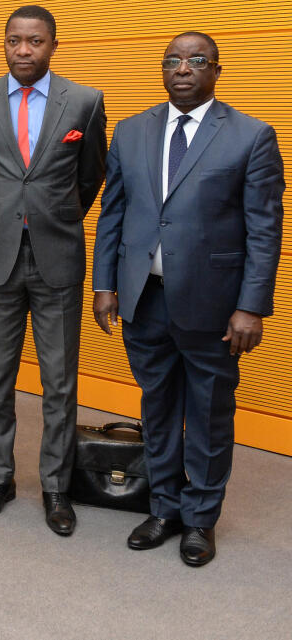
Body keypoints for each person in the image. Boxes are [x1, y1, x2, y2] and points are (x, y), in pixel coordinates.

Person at [92, 32, 283, 567]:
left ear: (216, 71)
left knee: (207, 414)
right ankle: (164, 507)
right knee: (157, 408)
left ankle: (200, 519)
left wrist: (251, 307)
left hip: (216, 308)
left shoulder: (251, 136)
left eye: (196, 60)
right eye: (172, 60)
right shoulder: (131, 132)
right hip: (144, 300)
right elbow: (113, 214)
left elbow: (264, 231)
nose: (182, 68)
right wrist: (104, 284)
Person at [0, 5, 107, 536]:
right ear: (4, 43)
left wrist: (54, 216)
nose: (24, 50)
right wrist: (11, 216)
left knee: (59, 382)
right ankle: (0, 479)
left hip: (58, 258)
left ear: (52, 45)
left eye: (36, 41)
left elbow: (91, 177)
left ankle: (57, 487)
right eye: (15, 40)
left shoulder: (85, 103)